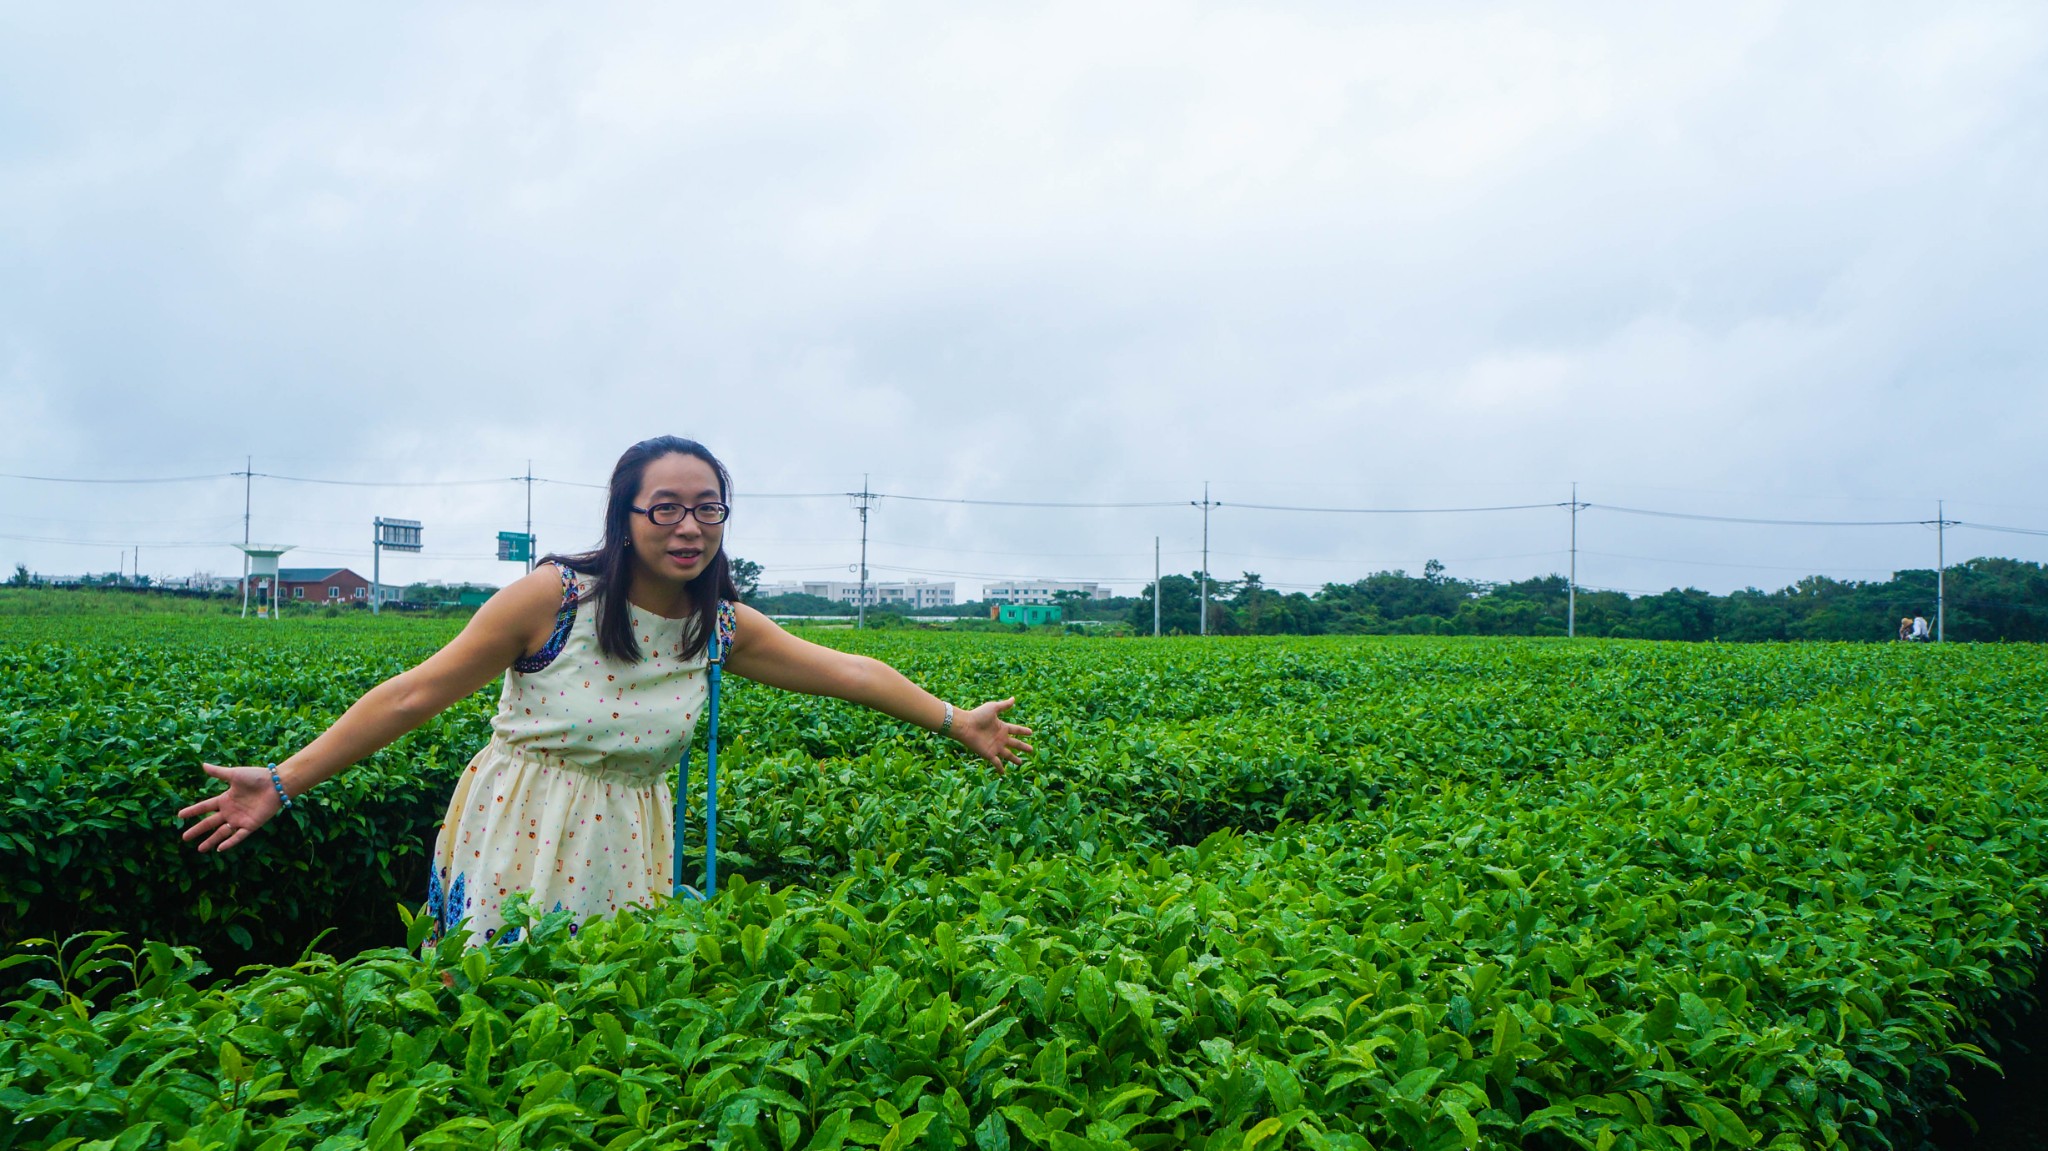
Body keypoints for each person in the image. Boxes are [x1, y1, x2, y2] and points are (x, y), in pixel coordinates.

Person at [177, 436, 1034, 942]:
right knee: (497, 1008)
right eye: (665, 507)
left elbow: (847, 670)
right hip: (522, 823)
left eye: (707, 508)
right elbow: (412, 694)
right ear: (624, 515)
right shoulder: (553, 598)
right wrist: (284, 779)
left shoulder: (721, 624)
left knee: (604, 1024)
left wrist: (955, 719)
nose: (688, 525)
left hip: (630, 834)